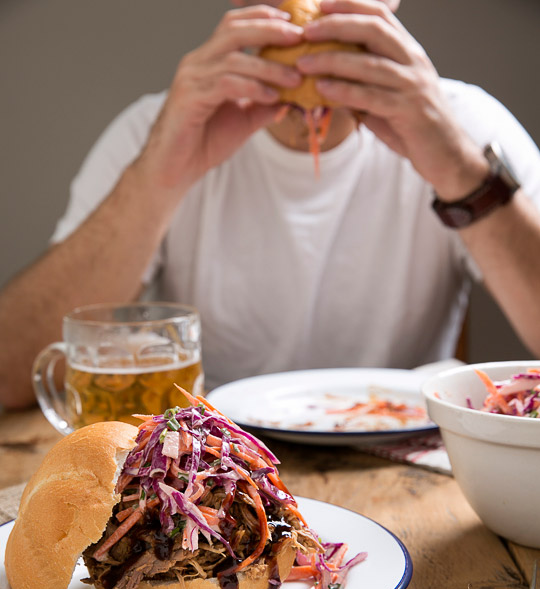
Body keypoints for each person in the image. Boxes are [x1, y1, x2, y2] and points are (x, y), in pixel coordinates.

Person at [2, 0, 540, 409]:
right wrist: (160, 177)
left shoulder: (463, 124)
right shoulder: (159, 128)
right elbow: (12, 371)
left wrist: (462, 173)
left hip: (407, 461)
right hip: (207, 468)